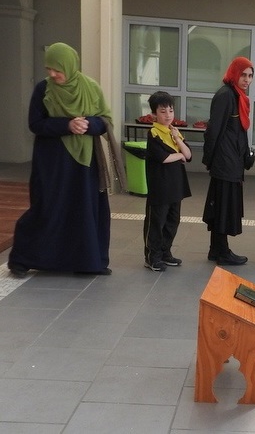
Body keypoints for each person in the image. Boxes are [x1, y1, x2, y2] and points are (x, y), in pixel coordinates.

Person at [8, 42, 125, 277]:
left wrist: (89, 124)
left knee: (84, 209)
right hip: (51, 161)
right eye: (49, 69)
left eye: (57, 69)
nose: (52, 74)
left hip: (84, 162)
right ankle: (22, 259)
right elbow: (35, 123)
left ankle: (89, 262)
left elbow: (106, 121)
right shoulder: (44, 90)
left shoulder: (91, 88)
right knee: (47, 207)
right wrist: (67, 124)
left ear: (69, 66)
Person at [202, 57, 255, 266]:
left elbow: (238, 132)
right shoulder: (225, 95)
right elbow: (213, 130)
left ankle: (215, 249)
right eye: (243, 75)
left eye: (250, 76)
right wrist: (209, 159)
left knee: (221, 205)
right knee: (224, 206)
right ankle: (222, 251)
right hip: (225, 162)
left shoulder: (237, 96)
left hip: (231, 160)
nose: (247, 80)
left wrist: (245, 156)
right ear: (234, 73)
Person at [143, 91, 192, 272]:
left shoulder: (174, 132)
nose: (168, 115)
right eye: (163, 111)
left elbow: (189, 155)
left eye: (170, 110)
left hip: (175, 186)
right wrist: (179, 154)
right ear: (154, 114)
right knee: (156, 222)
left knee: (173, 221)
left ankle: (165, 252)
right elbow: (164, 158)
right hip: (160, 187)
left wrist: (178, 140)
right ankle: (152, 256)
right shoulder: (154, 133)